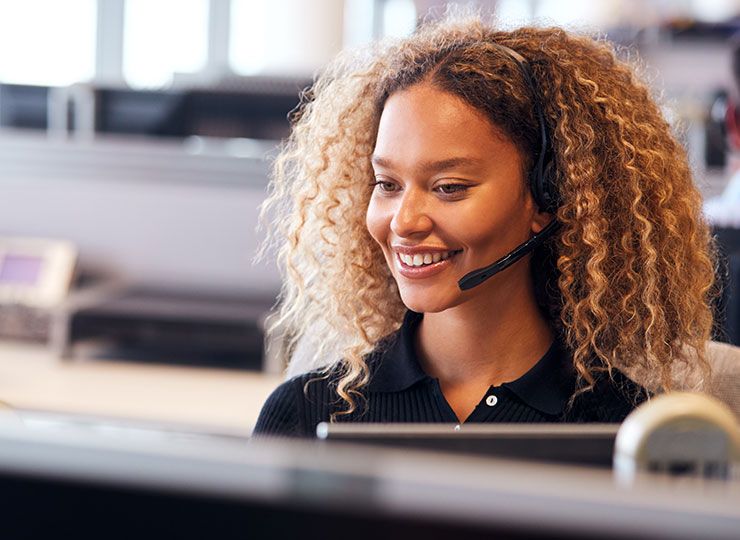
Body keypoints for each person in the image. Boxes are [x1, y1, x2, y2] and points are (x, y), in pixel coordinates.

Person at [253, 14, 717, 437]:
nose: (405, 221)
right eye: (387, 183)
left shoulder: (629, 430)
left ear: (548, 196)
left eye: (449, 187)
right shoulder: (308, 413)